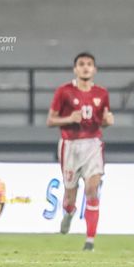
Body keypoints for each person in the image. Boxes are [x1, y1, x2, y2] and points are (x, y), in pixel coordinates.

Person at [47, 52, 113, 251]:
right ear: (75, 69)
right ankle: (68, 213)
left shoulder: (102, 93)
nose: (85, 67)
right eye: (82, 64)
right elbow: (50, 120)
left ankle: (90, 241)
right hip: (70, 146)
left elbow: (102, 119)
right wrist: (69, 119)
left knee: (92, 190)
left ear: (95, 69)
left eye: (89, 64)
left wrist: (107, 122)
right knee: (69, 198)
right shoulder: (64, 91)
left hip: (93, 144)